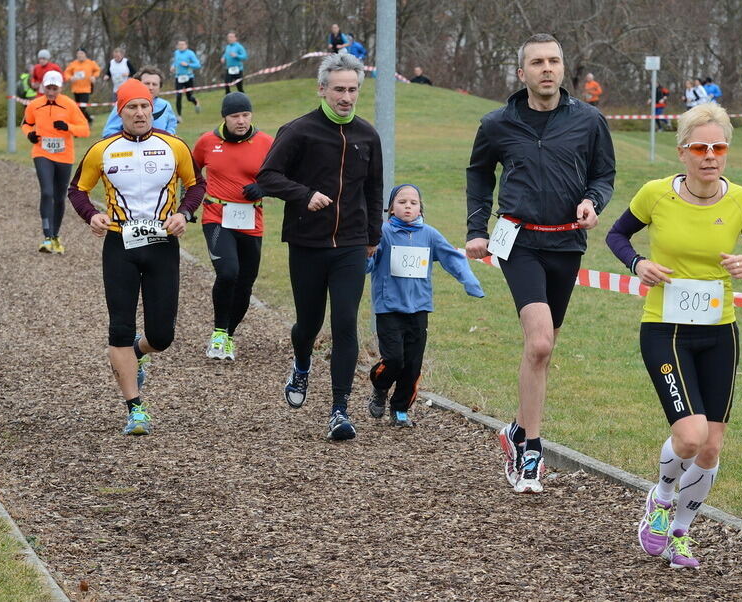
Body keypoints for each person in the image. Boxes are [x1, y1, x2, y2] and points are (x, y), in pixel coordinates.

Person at [605, 103, 742, 569]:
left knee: (712, 444)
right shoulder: (656, 195)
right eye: (700, 147)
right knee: (689, 435)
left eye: (718, 147)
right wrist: (638, 264)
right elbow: (617, 236)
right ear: (682, 152)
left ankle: (680, 531)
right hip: (665, 328)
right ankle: (661, 499)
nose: (710, 156)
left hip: (719, 332)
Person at [465, 33, 615, 494]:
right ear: (521, 72)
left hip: (567, 244)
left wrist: (593, 202)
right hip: (520, 242)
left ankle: (515, 428)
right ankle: (531, 450)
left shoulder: (589, 120)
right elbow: (477, 173)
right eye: (537, 62)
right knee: (541, 343)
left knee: (542, 351)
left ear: (562, 68)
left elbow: (603, 174)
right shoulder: (498, 123)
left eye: (553, 61)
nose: (546, 69)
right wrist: (476, 228)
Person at [256, 53, 383, 441]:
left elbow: (375, 189)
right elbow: (267, 177)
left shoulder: (367, 134)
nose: (346, 97)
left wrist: (373, 237)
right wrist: (304, 194)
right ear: (322, 89)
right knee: (308, 323)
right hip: (307, 242)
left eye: (352, 89)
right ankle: (301, 362)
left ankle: (339, 409)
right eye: (339, 89)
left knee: (345, 322)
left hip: (350, 243)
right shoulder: (298, 131)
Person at [68, 78, 205, 436]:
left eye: (145, 106)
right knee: (119, 327)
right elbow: (77, 189)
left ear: (152, 109)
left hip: (161, 245)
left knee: (162, 336)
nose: (140, 112)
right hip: (119, 246)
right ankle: (135, 408)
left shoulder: (173, 146)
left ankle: (139, 351)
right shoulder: (103, 150)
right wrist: (91, 215)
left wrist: (185, 213)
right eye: (132, 107)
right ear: (121, 111)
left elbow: (196, 185)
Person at [366, 184, 484, 427]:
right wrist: (363, 261)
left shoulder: (429, 234)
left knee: (412, 365)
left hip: (419, 309)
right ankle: (380, 385)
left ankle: (400, 410)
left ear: (420, 208)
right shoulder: (382, 233)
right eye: (402, 202)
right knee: (394, 359)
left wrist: (469, 281)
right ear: (390, 208)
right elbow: (368, 259)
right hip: (389, 308)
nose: (408, 206)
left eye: (413, 202)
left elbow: (453, 258)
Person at [192, 92, 274, 360]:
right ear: (225, 117)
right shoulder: (207, 142)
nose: (241, 121)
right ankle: (217, 331)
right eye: (235, 116)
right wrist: (188, 203)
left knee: (245, 282)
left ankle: (228, 335)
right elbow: (190, 171)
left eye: (245, 115)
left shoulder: (265, 142)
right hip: (217, 216)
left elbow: (281, 177)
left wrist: (263, 187)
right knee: (228, 272)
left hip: (251, 219)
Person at [21, 70, 90, 253]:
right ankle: (46, 237)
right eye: (48, 88)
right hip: (42, 153)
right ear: (43, 86)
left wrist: (68, 127)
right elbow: (26, 123)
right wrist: (30, 135)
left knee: (59, 197)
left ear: (61, 88)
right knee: (47, 192)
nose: (51, 92)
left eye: (54, 88)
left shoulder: (69, 105)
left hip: (64, 156)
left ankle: (55, 236)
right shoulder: (34, 105)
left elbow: (85, 130)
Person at [101, 66, 178, 137]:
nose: (150, 87)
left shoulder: (165, 105)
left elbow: (172, 124)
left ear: (160, 87)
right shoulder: (125, 105)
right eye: (147, 83)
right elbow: (109, 132)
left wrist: (168, 137)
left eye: (154, 84)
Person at [64, 47, 101, 123]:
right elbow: (66, 73)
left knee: (82, 107)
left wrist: (94, 76)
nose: (80, 55)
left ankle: (81, 123)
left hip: (86, 89)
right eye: (78, 54)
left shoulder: (91, 63)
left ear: (85, 54)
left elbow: (97, 70)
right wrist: (70, 78)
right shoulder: (73, 64)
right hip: (76, 89)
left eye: (81, 53)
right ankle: (89, 119)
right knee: (79, 108)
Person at [170, 39, 202, 116]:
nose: (181, 46)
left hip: (189, 77)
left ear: (186, 45)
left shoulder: (190, 53)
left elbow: (198, 65)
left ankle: (196, 102)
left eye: (182, 44)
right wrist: (172, 66)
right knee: (178, 96)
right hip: (178, 77)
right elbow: (175, 62)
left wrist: (187, 64)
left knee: (189, 97)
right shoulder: (176, 53)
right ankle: (179, 116)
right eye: (179, 45)